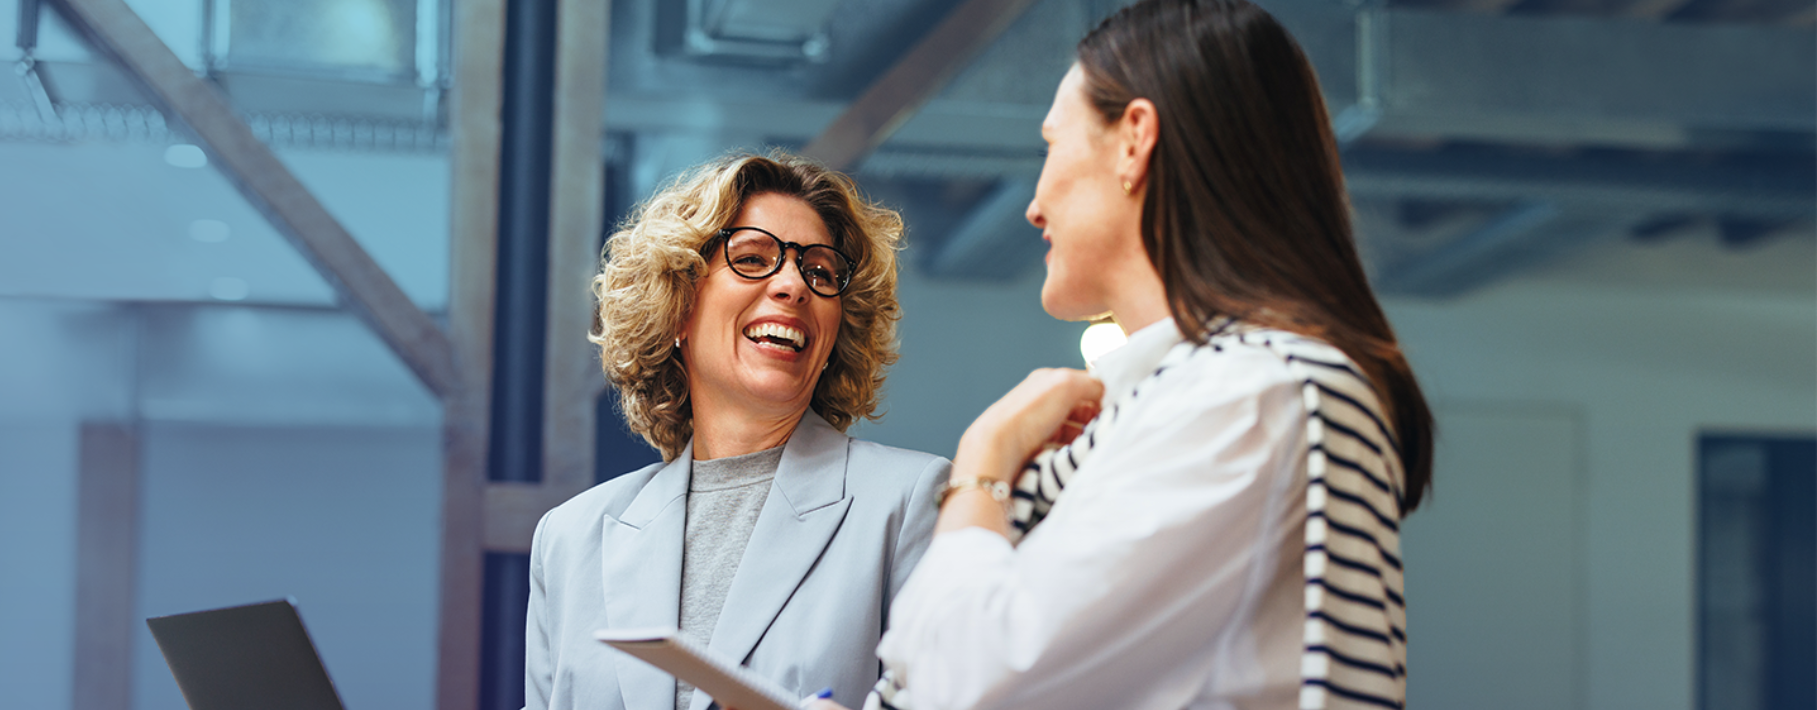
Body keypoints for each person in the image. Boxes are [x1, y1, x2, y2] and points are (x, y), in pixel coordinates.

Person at [814, 1, 1437, 709]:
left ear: (1134, 139)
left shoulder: (1253, 392)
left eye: (1052, 144)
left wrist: (982, 467)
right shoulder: (1192, 396)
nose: (1034, 203)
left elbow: (976, 679)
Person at [522, 152, 951, 710]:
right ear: (677, 305)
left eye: (821, 272)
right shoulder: (569, 538)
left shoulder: (910, 501)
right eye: (753, 258)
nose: (795, 285)